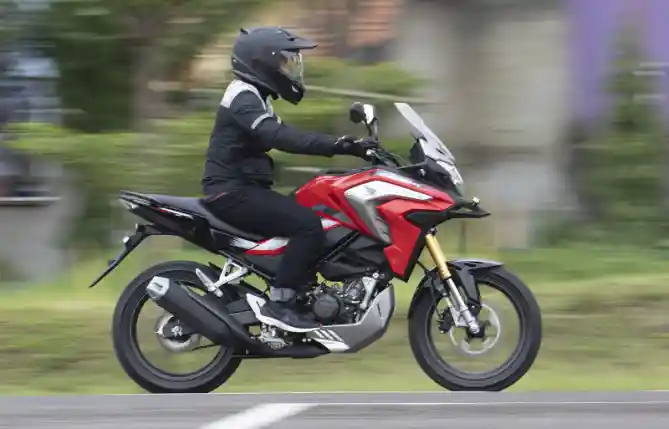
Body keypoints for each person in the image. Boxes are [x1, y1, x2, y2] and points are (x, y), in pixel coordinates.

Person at [200, 26, 379, 331]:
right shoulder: (242, 97)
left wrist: (347, 148)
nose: (291, 69)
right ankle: (280, 304)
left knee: (314, 204)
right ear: (262, 63)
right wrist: (338, 146)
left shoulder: (255, 98)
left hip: (244, 189)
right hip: (231, 193)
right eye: (285, 62)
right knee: (308, 225)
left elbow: (288, 136)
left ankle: (304, 296)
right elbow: (280, 136)